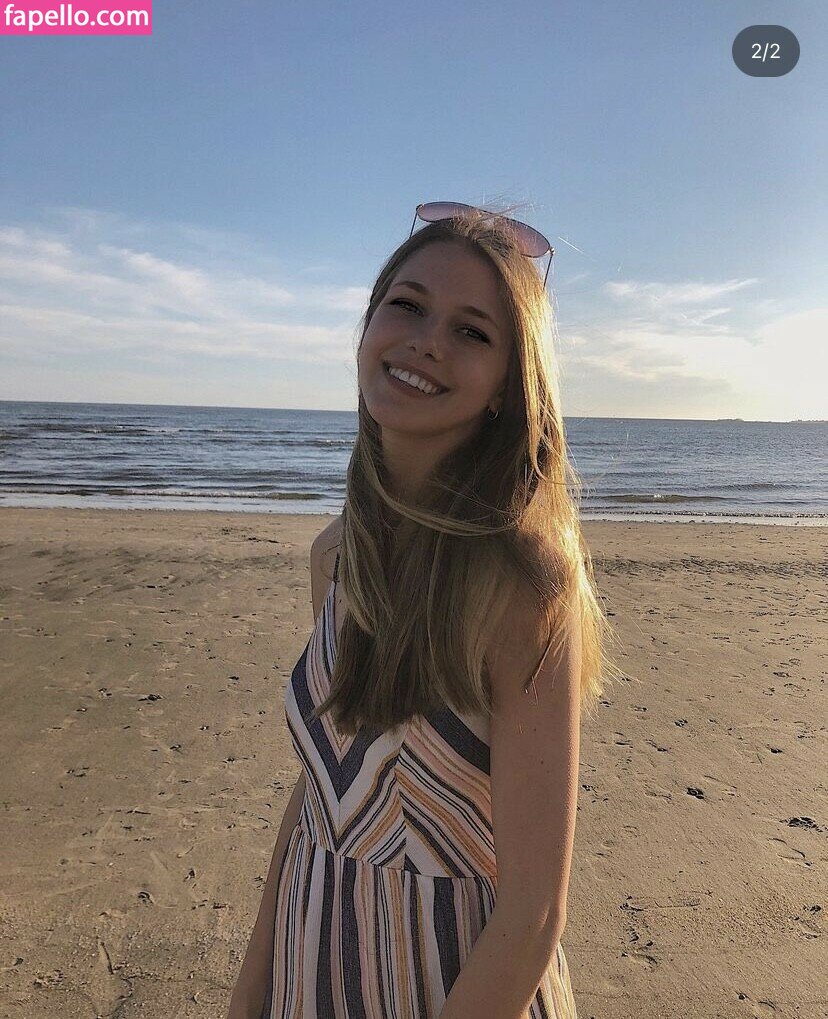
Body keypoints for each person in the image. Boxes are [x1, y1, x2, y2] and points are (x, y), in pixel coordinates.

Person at [228, 202, 621, 1019]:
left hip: (455, 982)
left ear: (506, 387)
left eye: (471, 331)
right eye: (406, 305)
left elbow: (534, 912)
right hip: (311, 959)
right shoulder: (338, 557)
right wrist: (249, 993)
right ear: (369, 326)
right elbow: (322, 793)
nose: (427, 341)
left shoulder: (522, 586)